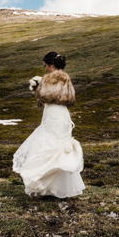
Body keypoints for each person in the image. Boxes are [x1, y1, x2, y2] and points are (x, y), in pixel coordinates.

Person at [12, 52, 85, 198]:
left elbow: (45, 98)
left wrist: (36, 90)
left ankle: (43, 183)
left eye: (45, 65)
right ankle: (56, 186)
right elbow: (69, 98)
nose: (45, 69)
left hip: (52, 113)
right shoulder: (66, 78)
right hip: (63, 114)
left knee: (47, 143)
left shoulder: (50, 78)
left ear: (51, 65)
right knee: (58, 145)